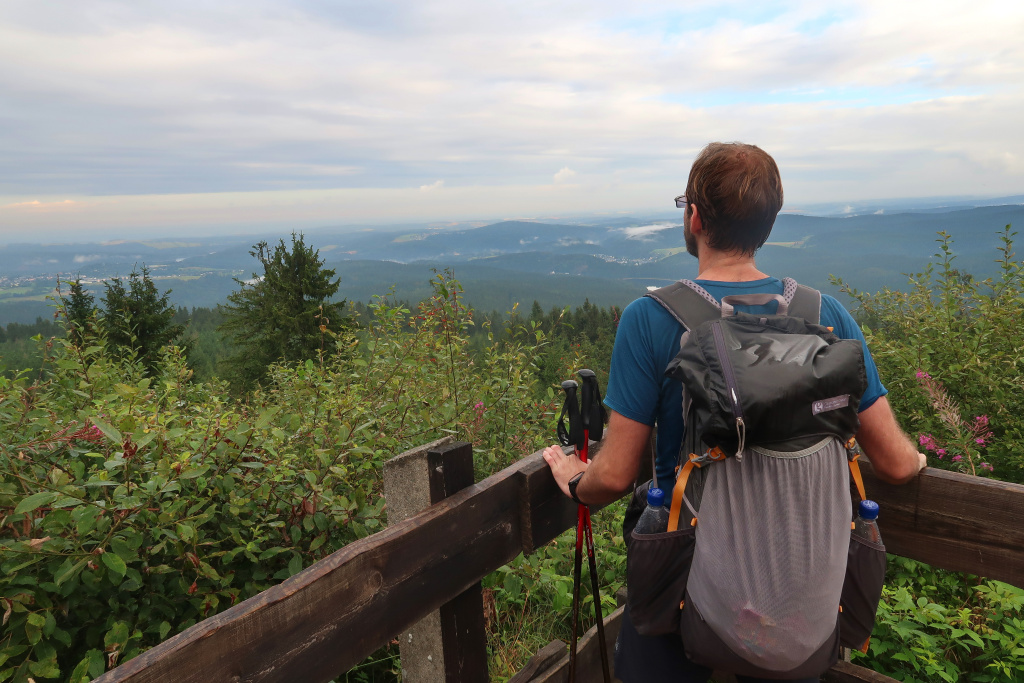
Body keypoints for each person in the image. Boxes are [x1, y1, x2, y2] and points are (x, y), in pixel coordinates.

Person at [541, 142, 926, 683]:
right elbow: (898, 464)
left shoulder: (651, 320)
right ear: (767, 223)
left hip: (684, 595)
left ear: (694, 216)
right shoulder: (826, 315)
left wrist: (575, 478)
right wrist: (919, 457)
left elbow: (614, 475)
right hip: (798, 600)